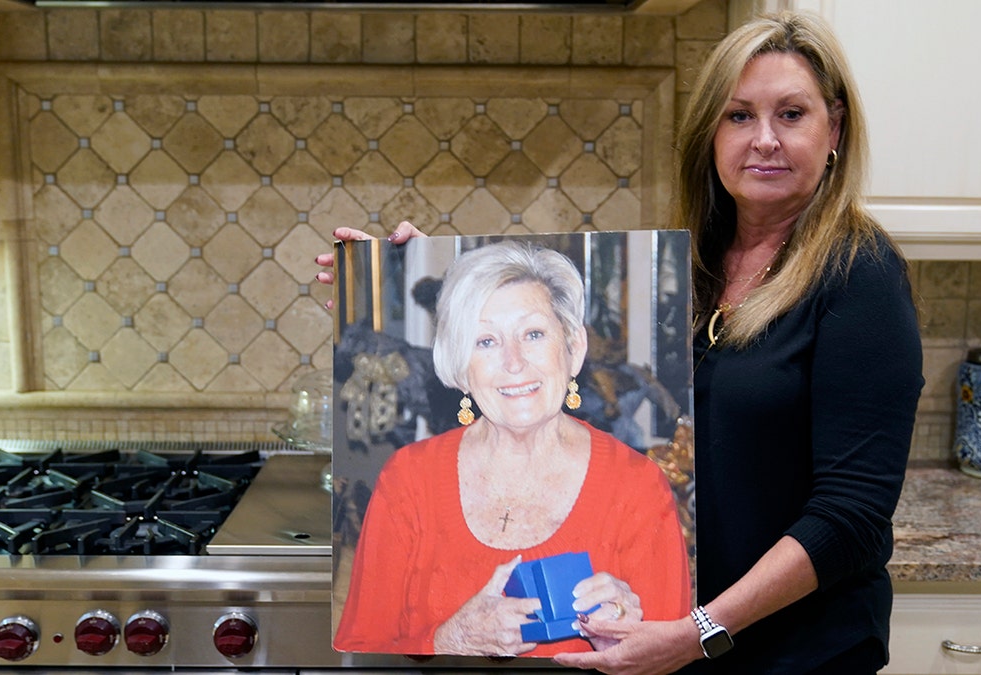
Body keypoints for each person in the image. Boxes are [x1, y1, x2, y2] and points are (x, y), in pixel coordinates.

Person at [317, 10, 923, 673]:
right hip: (680, 647)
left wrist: (699, 630)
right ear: (709, 135)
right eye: (740, 115)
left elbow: (852, 517)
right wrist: (401, 280)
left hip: (798, 653)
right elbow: (524, 368)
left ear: (833, 128)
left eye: (792, 114)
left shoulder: (858, 275)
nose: (765, 139)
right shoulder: (690, 269)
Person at [331, 240, 692, 657]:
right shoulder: (409, 478)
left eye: (534, 334)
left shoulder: (636, 485)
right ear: (459, 365)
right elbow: (359, 653)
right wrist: (450, 641)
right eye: (486, 341)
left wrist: (624, 647)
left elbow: (671, 662)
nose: (514, 362)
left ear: (573, 348)